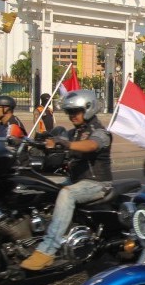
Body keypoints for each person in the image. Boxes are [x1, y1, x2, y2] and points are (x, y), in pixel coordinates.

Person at [20, 89, 113, 271]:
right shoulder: (74, 133)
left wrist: (67, 144)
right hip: (76, 180)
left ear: (88, 109)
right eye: (69, 112)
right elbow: (58, 140)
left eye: (75, 111)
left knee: (66, 194)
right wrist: (35, 142)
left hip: (97, 184)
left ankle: (47, 250)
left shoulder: (101, 132)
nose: (72, 116)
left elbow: (92, 145)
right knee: (39, 186)